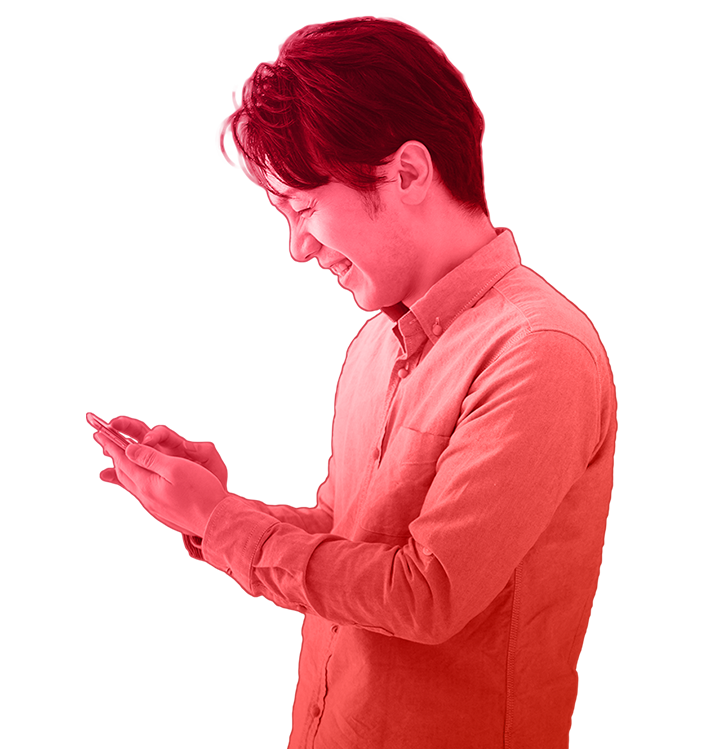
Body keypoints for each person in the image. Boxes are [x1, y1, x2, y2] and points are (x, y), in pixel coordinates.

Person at [94, 18, 616, 749]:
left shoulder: (538, 350)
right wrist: (207, 507)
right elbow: (348, 537)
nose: (296, 246)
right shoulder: (374, 345)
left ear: (407, 173)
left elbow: (426, 594)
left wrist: (221, 522)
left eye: (304, 207)